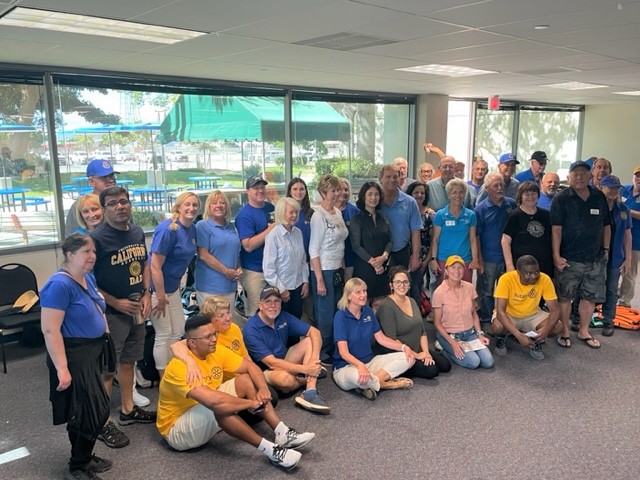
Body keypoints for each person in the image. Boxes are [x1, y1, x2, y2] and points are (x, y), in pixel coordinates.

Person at [157, 315, 314, 470]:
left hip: (202, 407)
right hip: (177, 429)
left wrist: (263, 388)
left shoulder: (215, 351)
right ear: (192, 343)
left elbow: (249, 367)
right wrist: (250, 403)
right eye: (208, 336)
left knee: (245, 380)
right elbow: (214, 401)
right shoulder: (179, 367)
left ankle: (282, 432)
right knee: (220, 408)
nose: (214, 339)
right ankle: (271, 451)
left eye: (214, 334)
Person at [41, 234, 112, 480]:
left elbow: (98, 306)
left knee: (83, 410)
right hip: (73, 355)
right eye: (86, 252)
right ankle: (77, 466)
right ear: (70, 254)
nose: (92, 256)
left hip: (91, 351)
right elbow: (50, 330)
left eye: (94, 251)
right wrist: (62, 368)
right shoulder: (59, 285)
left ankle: (82, 457)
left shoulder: (86, 277)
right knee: (95, 410)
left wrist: (104, 331)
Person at [91, 187, 155, 449]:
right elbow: (88, 281)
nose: (120, 206)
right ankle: (102, 422)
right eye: (113, 203)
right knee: (107, 369)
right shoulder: (97, 239)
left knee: (129, 361)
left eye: (124, 201)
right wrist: (114, 302)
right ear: (104, 208)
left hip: (137, 309)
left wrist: (147, 293)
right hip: (112, 313)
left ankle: (128, 410)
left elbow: (145, 264)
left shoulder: (137, 232)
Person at [551, 160, 610, 349]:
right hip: (569, 258)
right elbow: (556, 230)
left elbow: (606, 225)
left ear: (590, 176)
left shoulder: (599, 197)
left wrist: (606, 249)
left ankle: (584, 331)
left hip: (595, 258)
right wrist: (556, 255)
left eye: (583, 174)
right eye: (575, 174)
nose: (579, 177)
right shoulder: (561, 198)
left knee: (590, 296)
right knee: (565, 296)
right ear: (568, 177)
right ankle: (565, 331)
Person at [243, 286, 330, 414]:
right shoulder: (251, 329)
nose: (273, 305)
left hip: (284, 358)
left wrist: (313, 359)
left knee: (310, 340)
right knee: (285, 380)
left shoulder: (282, 316)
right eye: (268, 301)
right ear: (260, 305)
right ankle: (307, 377)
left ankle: (310, 392)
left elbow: (314, 332)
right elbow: (271, 363)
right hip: (265, 370)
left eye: (276, 301)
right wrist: (306, 369)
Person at [332, 278, 415, 400]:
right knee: (357, 377)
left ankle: (371, 383)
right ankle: (388, 384)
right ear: (349, 296)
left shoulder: (368, 311)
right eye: (358, 292)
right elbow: (343, 352)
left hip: (369, 363)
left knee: (407, 358)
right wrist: (360, 366)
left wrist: (404, 347)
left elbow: (382, 339)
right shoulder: (340, 316)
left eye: (364, 291)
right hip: (346, 367)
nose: (363, 295)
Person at [149, 192, 199, 379]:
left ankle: (172, 373)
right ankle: (164, 379)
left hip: (173, 288)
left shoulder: (192, 229)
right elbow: (155, 266)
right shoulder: (168, 230)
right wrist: (160, 296)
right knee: (164, 334)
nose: (191, 208)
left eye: (195, 205)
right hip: (157, 290)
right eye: (187, 204)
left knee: (178, 331)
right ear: (178, 206)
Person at [376, 267, 451, 379]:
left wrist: (426, 352)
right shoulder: (387, 306)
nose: (402, 285)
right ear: (391, 285)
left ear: (409, 285)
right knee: (432, 370)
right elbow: (391, 339)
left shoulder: (412, 301)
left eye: (405, 282)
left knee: (445, 365)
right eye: (398, 282)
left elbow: (422, 331)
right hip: (400, 352)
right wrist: (417, 355)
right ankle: (399, 370)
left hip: (416, 347)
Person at [309, 174, 349, 363]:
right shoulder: (318, 216)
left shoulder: (337, 212)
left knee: (337, 310)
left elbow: (341, 243)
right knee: (324, 314)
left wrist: (343, 269)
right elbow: (313, 250)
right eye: (333, 190)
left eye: (338, 190)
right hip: (323, 270)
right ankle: (322, 351)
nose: (337, 194)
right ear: (323, 193)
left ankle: (336, 347)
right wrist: (319, 280)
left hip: (337, 268)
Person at [492, 255, 563, 360]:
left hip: (533, 314)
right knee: (497, 326)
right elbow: (501, 312)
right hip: (510, 314)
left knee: (558, 326)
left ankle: (535, 340)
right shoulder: (506, 279)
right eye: (529, 273)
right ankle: (502, 337)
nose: (534, 276)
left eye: (536, 272)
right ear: (518, 272)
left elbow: (555, 310)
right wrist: (518, 335)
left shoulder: (545, 279)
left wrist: (546, 330)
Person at [432, 255, 493, 369]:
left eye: (460, 267)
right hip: (450, 335)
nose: (457, 271)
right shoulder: (439, 293)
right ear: (446, 270)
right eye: (453, 267)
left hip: (470, 334)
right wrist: (452, 343)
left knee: (488, 361)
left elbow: (474, 314)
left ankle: (458, 349)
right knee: (474, 362)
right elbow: (437, 323)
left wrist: (480, 334)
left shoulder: (469, 287)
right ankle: (445, 349)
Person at [474, 173, 516, 324]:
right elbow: (476, 236)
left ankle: (507, 321)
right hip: (489, 258)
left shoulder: (511, 204)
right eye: (495, 186)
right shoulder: (480, 209)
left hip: (508, 258)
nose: (499, 188)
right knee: (487, 291)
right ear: (487, 188)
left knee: (509, 290)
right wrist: (479, 259)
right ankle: (486, 320)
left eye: (501, 185)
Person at [236, 176, 276, 317]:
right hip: (254, 271)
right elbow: (248, 246)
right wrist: (269, 230)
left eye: (262, 187)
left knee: (273, 311)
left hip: (273, 269)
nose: (260, 191)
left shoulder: (271, 208)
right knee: (256, 313)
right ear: (248, 191)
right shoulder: (244, 215)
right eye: (256, 188)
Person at [194, 190, 242, 308]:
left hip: (229, 286)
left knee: (227, 319)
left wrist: (239, 267)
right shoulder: (202, 226)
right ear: (208, 206)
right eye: (214, 203)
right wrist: (226, 271)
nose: (219, 206)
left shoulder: (231, 226)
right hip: (210, 287)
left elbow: (234, 251)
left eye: (222, 203)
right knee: (212, 319)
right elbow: (203, 255)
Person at [263, 197, 309, 319]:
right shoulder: (273, 236)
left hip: (298, 287)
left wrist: (305, 281)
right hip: (280, 290)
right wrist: (282, 290)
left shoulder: (298, 233)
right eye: (291, 212)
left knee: (296, 323)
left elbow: (303, 260)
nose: (294, 215)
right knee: (281, 325)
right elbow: (268, 270)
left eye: (296, 212)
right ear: (281, 213)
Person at [597, 175, 632, 336]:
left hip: (616, 256)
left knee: (611, 289)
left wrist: (628, 258)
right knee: (589, 287)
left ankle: (608, 320)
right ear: (601, 188)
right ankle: (577, 318)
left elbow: (627, 236)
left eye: (616, 188)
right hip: (596, 255)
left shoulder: (623, 209)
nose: (613, 191)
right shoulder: (595, 207)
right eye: (610, 187)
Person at [429, 178, 479, 285]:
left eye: (461, 192)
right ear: (449, 195)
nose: (458, 196)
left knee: (465, 291)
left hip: (464, 260)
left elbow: (473, 239)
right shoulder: (440, 215)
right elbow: (435, 239)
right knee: (445, 292)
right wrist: (433, 259)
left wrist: (475, 259)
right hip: (444, 260)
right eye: (454, 192)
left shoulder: (470, 215)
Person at [349, 181, 392, 301]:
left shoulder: (383, 217)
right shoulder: (357, 219)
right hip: (364, 267)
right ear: (363, 197)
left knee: (380, 303)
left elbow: (389, 241)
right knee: (363, 301)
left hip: (383, 267)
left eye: (376, 194)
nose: (373, 198)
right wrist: (374, 263)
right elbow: (356, 246)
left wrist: (384, 257)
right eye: (370, 194)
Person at [502, 181, 553, 277]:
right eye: (527, 194)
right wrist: (509, 265)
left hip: (544, 266)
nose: (530, 197)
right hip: (521, 267)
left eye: (533, 194)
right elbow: (505, 242)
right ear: (520, 196)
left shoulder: (546, 215)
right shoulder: (514, 216)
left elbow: (552, 238)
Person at [378, 165, 422, 271]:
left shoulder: (410, 202)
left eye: (395, 177)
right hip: (378, 254)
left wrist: (415, 257)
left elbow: (416, 231)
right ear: (380, 179)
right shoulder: (375, 202)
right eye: (388, 177)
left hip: (402, 252)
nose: (392, 180)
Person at [66, 160, 118, 235]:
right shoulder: (80, 205)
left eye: (112, 176)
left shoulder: (120, 202)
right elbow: (71, 238)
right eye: (105, 177)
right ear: (92, 182)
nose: (111, 180)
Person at [406, 181, 433, 304]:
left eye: (422, 193)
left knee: (417, 288)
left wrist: (426, 261)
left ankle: (417, 310)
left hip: (423, 258)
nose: (419, 195)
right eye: (416, 192)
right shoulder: (406, 212)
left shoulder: (430, 215)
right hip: (406, 255)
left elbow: (433, 241)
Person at [619, 166, 640, 307]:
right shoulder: (624, 189)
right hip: (617, 239)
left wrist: (628, 211)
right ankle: (610, 298)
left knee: (629, 273)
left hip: (636, 242)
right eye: (637, 176)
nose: (639, 179)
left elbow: (623, 209)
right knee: (613, 271)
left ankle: (624, 302)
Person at [336, 177, 360, 281]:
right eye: (340, 189)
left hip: (350, 258)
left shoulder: (355, 211)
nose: (344, 192)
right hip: (333, 260)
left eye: (346, 190)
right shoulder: (327, 211)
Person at [286, 177, 314, 255]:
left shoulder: (311, 213)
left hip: (308, 256)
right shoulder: (284, 212)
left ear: (305, 192)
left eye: (301, 189)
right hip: (290, 257)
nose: (298, 192)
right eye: (295, 189)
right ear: (290, 192)